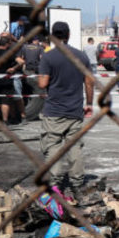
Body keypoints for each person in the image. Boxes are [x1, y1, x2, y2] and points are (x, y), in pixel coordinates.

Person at [36, 21, 94, 198]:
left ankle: (55, 185)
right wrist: (89, 103)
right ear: (68, 35)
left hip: (54, 110)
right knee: (75, 147)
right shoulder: (81, 56)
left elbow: (42, 83)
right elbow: (89, 82)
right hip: (75, 110)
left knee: (53, 146)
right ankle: (77, 184)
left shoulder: (48, 57)